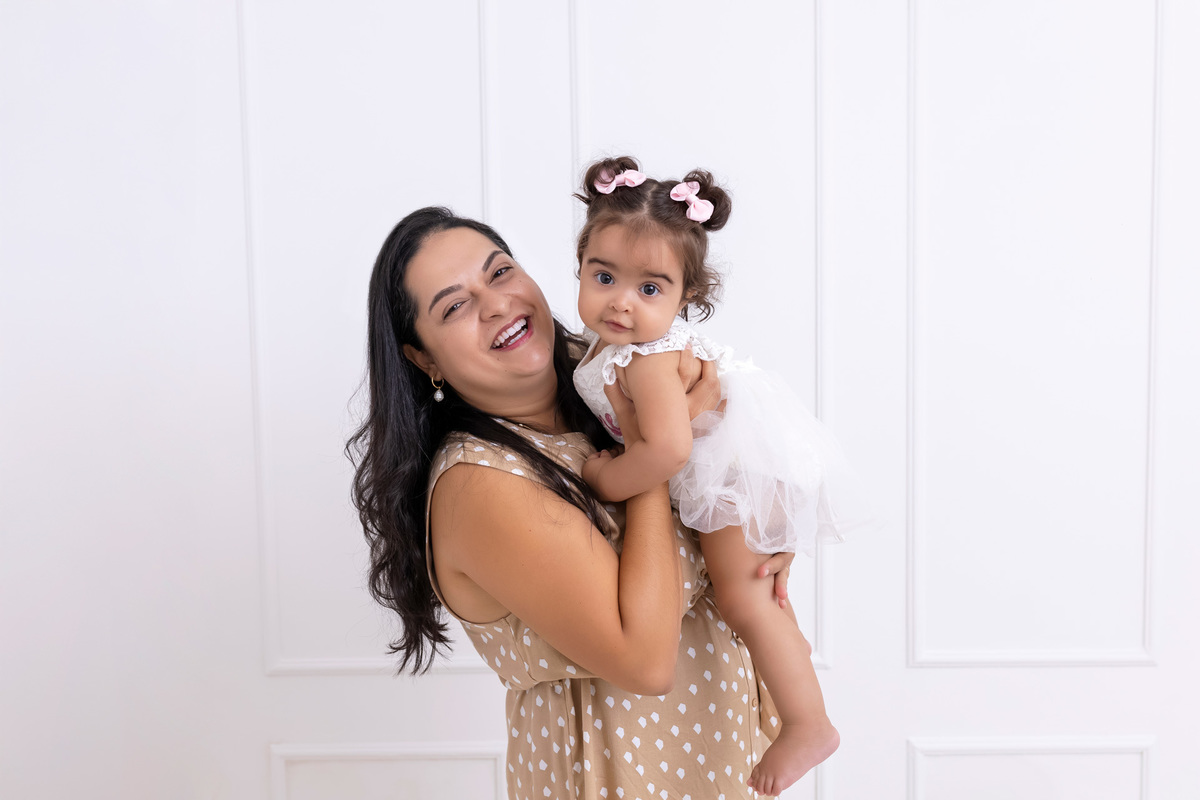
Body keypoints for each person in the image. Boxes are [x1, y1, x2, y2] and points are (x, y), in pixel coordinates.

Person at [348, 206, 797, 800]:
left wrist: (756, 526)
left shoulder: (609, 369)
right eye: (455, 306)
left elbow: (735, 451)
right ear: (423, 358)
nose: (497, 304)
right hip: (619, 779)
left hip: (723, 762)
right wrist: (652, 454)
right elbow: (644, 662)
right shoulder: (477, 484)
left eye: (501, 272)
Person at [570, 157, 873, 795]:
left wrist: (602, 477)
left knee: (746, 600)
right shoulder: (605, 345)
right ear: (579, 267)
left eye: (650, 289)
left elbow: (668, 453)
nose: (622, 301)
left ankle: (809, 724)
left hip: (730, 469)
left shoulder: (649, 363)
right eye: (604, 277)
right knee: (750, 598)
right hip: (734, 462)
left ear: (687, 299)